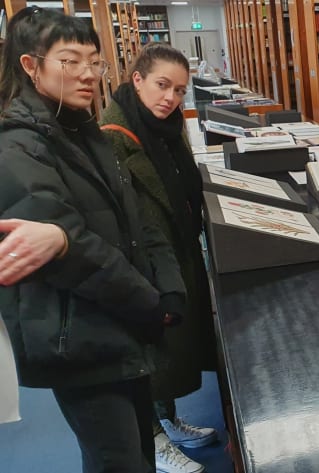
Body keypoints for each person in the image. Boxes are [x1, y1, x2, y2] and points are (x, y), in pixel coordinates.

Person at [0, 8, 185, 473]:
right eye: (70, 60)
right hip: (78, 337)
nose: (87, 74)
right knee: (117, 461)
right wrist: (147, 301)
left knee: (135, 453)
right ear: (30, 65)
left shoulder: (84, 129)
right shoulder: (15, 146)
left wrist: (167, 290)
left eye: (94, 61)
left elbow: (133, 218)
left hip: (119, 324)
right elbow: (70, 249)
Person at [100, 43, 216, 473]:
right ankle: (152, 437)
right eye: (162, 85)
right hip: (142, 265)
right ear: (138, 80)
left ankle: (167, 420)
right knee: (147, 355)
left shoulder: (166, 127)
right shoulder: (116, 135)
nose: (170, 97)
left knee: (169, 352)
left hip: (174, 251)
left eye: (180, 90)